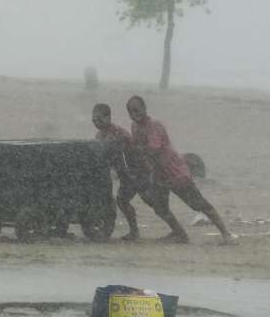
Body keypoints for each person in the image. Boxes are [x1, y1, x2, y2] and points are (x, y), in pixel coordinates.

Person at [126, 95, 234, 244]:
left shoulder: (155, 126)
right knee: (160, 207)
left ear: (145, 109)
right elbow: (138, 149)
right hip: (159, 173)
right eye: (130, 112)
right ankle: (179, 233)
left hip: (174, 171)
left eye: (137, 110)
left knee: (199, 204)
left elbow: (152, 149)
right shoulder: (135, 127)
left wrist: (135, 149)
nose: (134, 115)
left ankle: (226, 233)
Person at [91, 102, 150, 241]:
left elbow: (122, 156)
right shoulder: (100, 135)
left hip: (136, 171)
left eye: (99, 119)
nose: (96, 123)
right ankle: (134, 232)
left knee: (147, 201)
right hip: (126, 173)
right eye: (94, 120)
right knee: (123, 201)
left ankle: (135, 232)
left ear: (108, 117)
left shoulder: (119, 134)